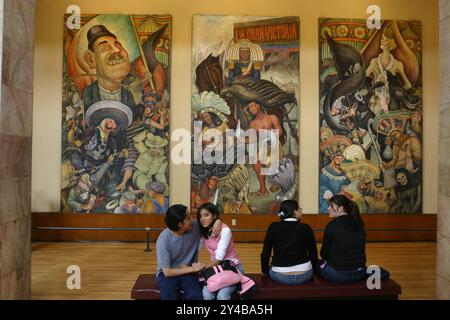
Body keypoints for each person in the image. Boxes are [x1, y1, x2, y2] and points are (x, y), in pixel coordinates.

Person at [156, 204, 221, 300]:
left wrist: (218, 222)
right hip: (169, 274)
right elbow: (167, 272)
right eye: (188, 218)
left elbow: (213, 220)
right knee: (169, 297)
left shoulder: (194, 226)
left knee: (196, 296)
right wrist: (193, 269)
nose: (192, 219)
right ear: (179, 224)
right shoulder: (163, 240)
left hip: (188, 273)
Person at [260, 200, 318, 285]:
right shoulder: (306, 228)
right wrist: (315, 272)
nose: (301, 211)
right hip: (305, 274)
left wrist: (265, 271)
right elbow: (313, 253)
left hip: (280, 275)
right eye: (300, 209)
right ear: (295, 211)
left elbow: (265, 254)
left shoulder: (273, 227)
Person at [196, 203, 244, 300]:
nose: (203, 219)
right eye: (200, 216)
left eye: (206, 215)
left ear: (214, 215)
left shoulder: (225, 230)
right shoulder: (203, 231)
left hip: (231, 268)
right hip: (216, 269)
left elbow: (219, 259)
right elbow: (196, 251)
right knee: (207, 295)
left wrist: (202, 270)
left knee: (222, 296)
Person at [320, 194, 367, 283]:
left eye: (331, 206)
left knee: (315, 264)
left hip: (338, 274)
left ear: (341, 208)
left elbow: (323, 254)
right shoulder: (360, 225)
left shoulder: (332, 225)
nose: (328, 209)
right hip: (360, 273)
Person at [247, 101, 283, 195]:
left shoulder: (272, 117)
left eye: (252, 106)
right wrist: (240, 140)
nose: (251, 109)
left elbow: (280, 132)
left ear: (258, 105)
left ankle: (279, 180)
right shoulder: (252, 123)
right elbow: (252, 139)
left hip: (275, 145)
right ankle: (263, 190)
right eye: (249, 108)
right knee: (256, 163)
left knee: (273, 166)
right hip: (264, 147)